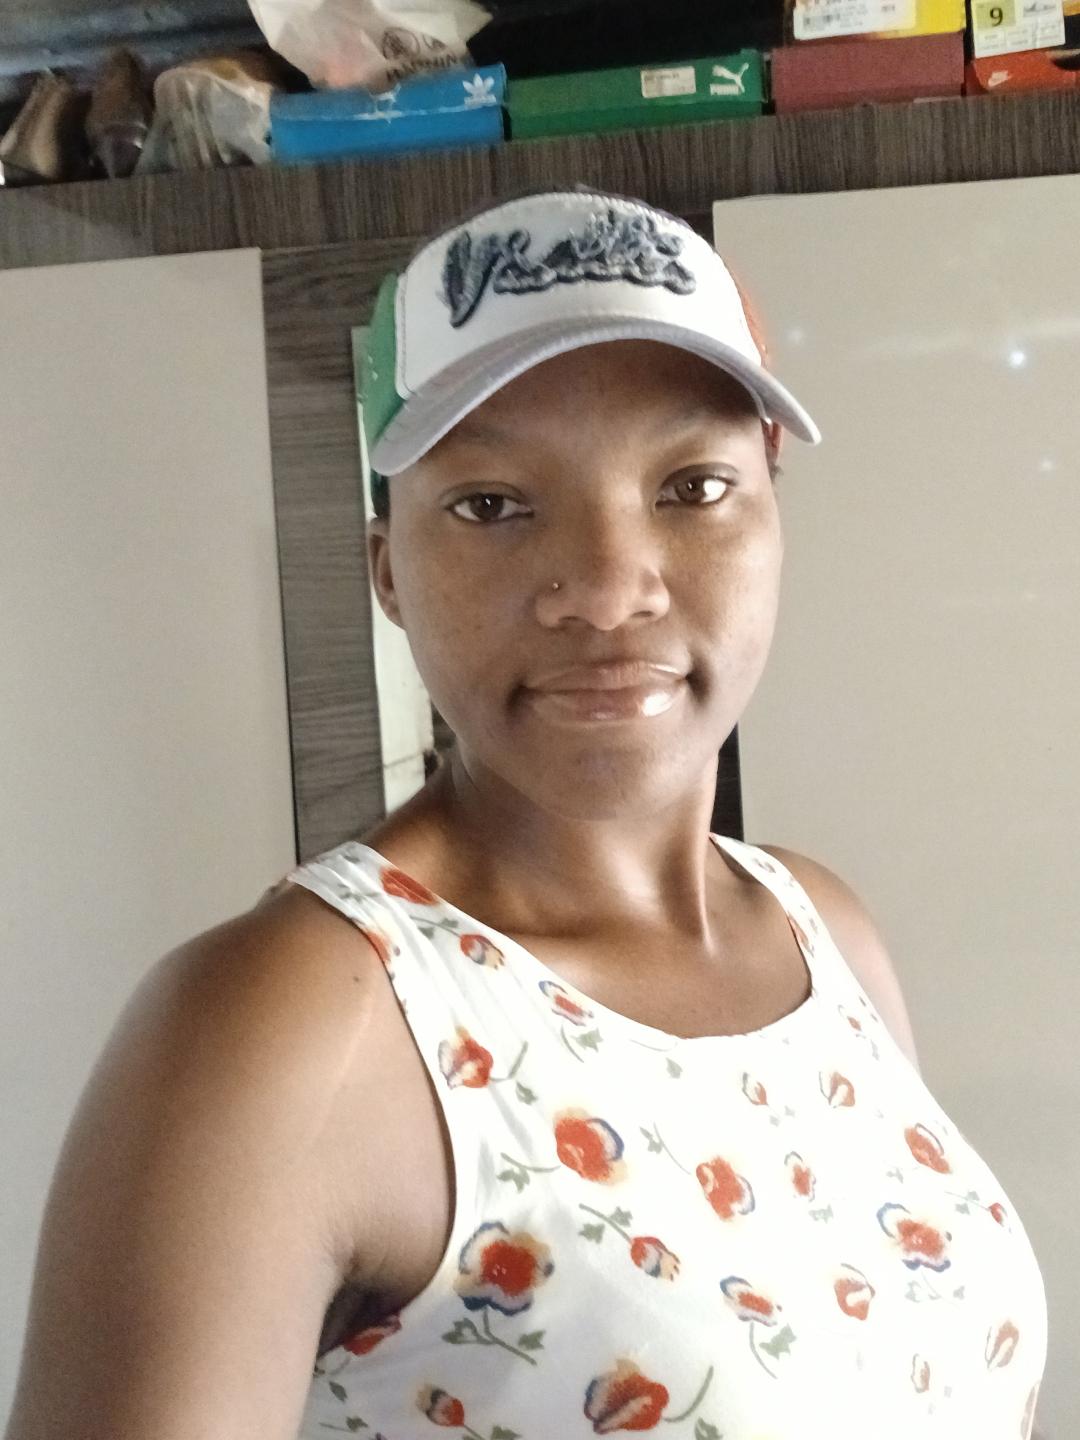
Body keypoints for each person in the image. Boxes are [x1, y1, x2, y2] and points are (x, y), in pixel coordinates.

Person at [5, 188, 1047, 1440]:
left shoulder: (820, 928)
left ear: (774, 519)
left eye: (692, 486)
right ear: (389, 571)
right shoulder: (292, 1025)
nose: (607, 589)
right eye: (493, 504)